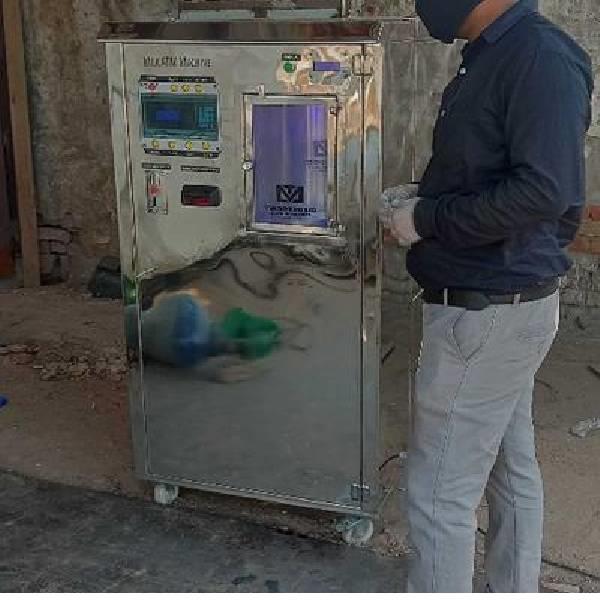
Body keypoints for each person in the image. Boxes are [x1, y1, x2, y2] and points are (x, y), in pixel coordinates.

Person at [379, 0, 593, 593]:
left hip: (490, 311)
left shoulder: (539, 57)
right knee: (508, 467)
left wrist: (427, 218)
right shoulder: (493, 53)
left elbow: (544, 192)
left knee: (436, 493)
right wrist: (424, 199)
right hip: (496, 307)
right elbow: (487, 173)